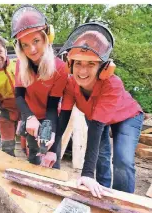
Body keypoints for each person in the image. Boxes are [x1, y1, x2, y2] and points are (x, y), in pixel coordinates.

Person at [57, 22, 143, 197]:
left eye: (91, 64)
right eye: (78, 63)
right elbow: (63, 117)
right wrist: (52, 148)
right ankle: (102, 194)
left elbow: (96, 130)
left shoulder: (112, 84)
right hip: (95, 116)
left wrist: (86, 175)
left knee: (122, 160)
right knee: (102, 156)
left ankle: (122, 201)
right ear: (70, 64)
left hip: (127, 117)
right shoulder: (71, 83)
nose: (82, 70)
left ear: (103, 68)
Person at [11, 5, 68, 168]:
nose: (32, 49)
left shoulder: (60, 68)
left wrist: (51, 135)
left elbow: (52, 106)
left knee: (51, 160)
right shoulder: (20, 64)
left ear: (46, 38)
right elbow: (19, 96)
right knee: (33, 160)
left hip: (50, 116)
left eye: (36, 41)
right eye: (25, 45)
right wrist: (29, 117)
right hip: (29, 115)